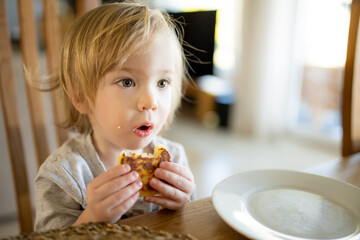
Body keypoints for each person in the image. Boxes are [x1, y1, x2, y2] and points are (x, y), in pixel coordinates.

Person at [34, 1, 195, 232]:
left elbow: (191, 228)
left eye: (162, 82)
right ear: (79, 96)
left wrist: (184, 204)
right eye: (127, 82)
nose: (151, 102)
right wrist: (91, 219)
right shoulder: (64, 175)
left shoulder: (174, 159)